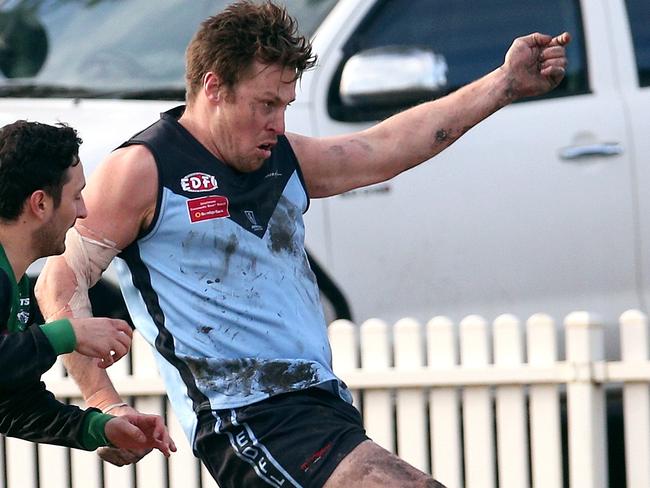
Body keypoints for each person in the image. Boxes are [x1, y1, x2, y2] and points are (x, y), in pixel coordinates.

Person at [35, 1, 570, 486]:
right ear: (214, 87)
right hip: (243, 414)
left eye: (286, 104)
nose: (278, 123)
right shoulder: (144, 169)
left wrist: (502, 86)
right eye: (266, 104)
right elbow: (61, 279)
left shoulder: (282, 157)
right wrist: (103, 403)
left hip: (321, 402)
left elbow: (386, 146)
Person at [0, 120, 176, 456]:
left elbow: (8, 402)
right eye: (77, 196)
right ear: (40, 204)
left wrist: (100, 428)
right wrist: (66, 334)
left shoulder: (13, 278)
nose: (83, 211)